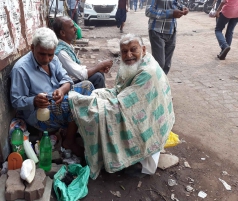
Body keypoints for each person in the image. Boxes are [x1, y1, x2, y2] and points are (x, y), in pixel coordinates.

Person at [68, 34, 175, 179]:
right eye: (124, 51)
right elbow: (120, 89)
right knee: (96, 94)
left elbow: (123, 105)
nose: (128, 55)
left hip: (145, 116)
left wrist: (81, 101)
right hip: (134, 103)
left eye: (133, 50)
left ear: (143, 49)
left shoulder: (147, 72)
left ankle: (116, 157)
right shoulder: (141, 61)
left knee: (95, 111)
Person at [10, 27, 94, 157]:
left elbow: (66, 79)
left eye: (50, 55)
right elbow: (16, 101)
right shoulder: (21, 69)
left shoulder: (53, 59)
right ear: (32, 48)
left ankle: (73, 128)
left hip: (58, 99)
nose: (47, 59)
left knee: (87, 86)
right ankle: (69, 141)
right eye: (42, 54)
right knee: (74, 102)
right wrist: (34, 101)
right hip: (39, 113)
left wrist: (61, 90)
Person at [53, 16, 113, 89]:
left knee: (99, 73)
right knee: (98, 77)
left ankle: (99, 97)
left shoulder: (67, 47)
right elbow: (81, 75)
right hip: (66, 86)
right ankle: (97, 99)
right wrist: (100, 65)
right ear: (62, 33)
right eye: (72, 27)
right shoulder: (61, 53)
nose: (76, 29)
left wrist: (98, 68)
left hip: (73, 79)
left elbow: (79, 69)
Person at [145, 0, 189, 75]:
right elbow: (149, 11)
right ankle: (154, 83)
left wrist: (183, 8)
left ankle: (161, 83)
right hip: (157, 31)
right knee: (160, 64)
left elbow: (175, 3)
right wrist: (170, 13)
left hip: (171, 31)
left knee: (166, 65)